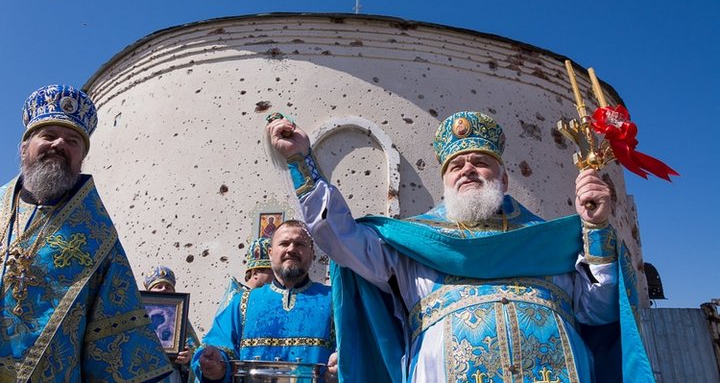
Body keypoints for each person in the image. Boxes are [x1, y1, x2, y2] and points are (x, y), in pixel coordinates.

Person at [266, 111, 654, 382]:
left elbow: (599, 312)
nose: (467, 168)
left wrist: (599, 228)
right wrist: (302, 161)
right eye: (456, 165)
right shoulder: (411, 245)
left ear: (502, 178)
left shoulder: (552, 242)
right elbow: (341, 238)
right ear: (445, 182)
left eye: (480, 162)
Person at [0, 84, 173, 382]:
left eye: (72, 141)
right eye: (48, 135)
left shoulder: (99, 238)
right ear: (24, 146)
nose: (59, 144)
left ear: (81, 158)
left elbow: (117, 339)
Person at [191, 220, 336, 382]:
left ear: (312, 253)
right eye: (284, 243)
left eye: (300, 244)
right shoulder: (242, 302)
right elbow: (218, 344)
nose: (291, 249)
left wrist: (342, 366)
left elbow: (355, 348)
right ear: (270, 252)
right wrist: (215, 365)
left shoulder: (334, 301)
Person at [144, 265, 201, 382]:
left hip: (171, 374)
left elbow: (194, 351)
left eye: (168, 287)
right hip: (144, 372)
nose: (164, 289)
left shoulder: (180, 317)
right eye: (159, 287)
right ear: (149, 291)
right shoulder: (139, 316)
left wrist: (188, 358)